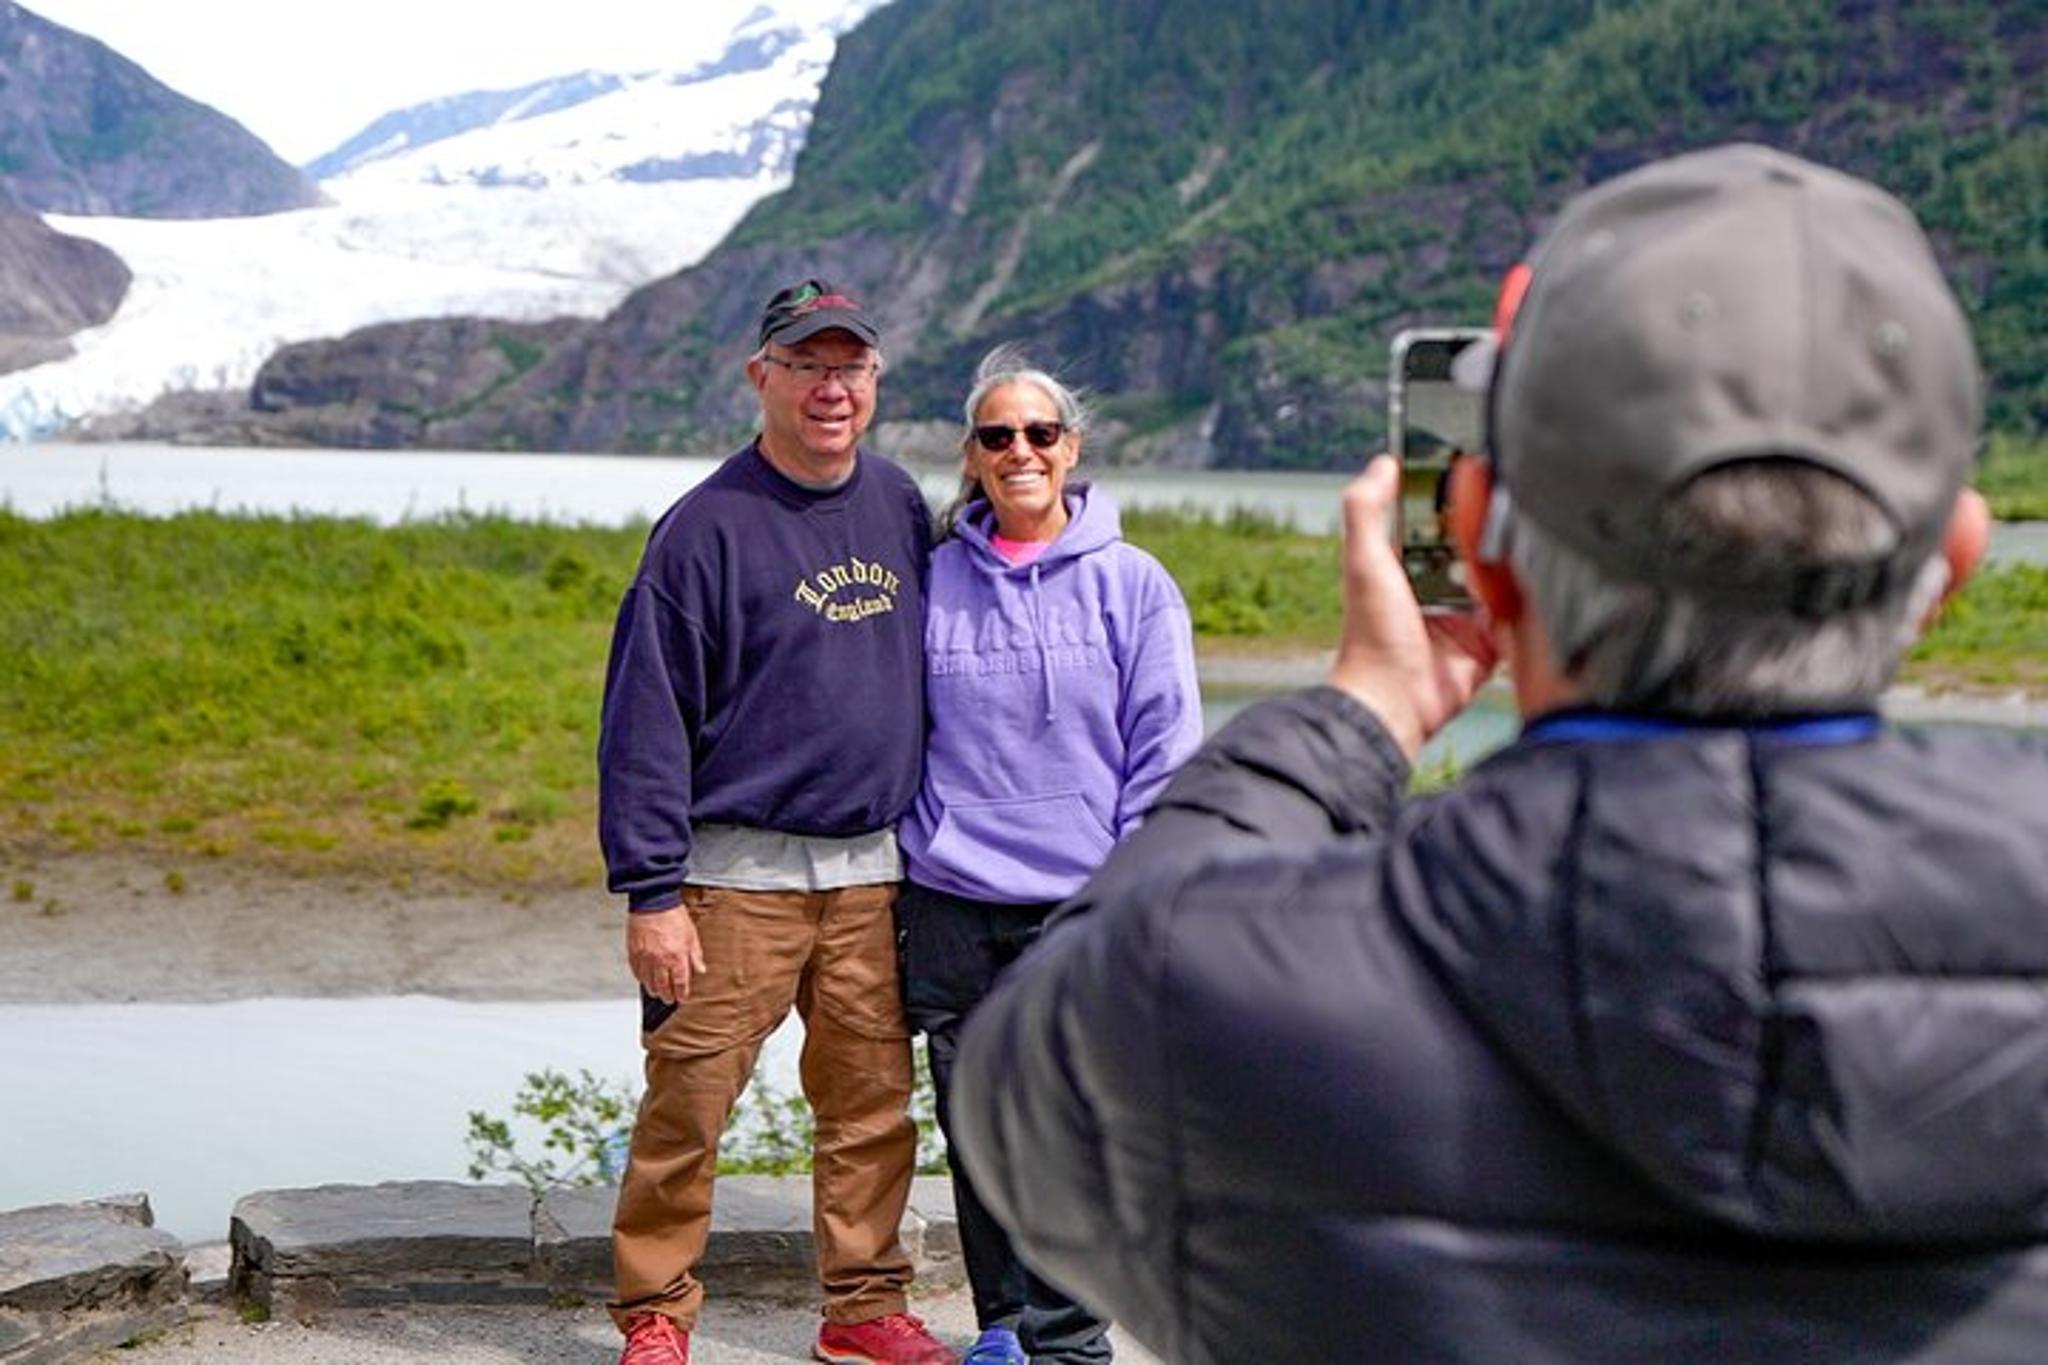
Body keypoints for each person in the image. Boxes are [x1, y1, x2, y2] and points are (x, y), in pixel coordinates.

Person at [949, 144, 2048, 1363]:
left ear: (1473, 538)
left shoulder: (1204, 989)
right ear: (1952, 558)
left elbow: (1033, 1082)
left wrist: (1357, 714)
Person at [597, 279, 954, 1365]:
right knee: (686, 1108)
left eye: (849, 367)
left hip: (870, 878)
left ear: (876, 382)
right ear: (762, 378)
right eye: (806, 366)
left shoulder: (896, 503)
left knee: (871, 1111)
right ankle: (655, 1314)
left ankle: (860, 1311)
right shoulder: (704, 528)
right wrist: (652, 893)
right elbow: (643, 718)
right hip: (730, 882)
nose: (830, 387)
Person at [897, 346, 1203, 1365]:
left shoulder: (1133, 584)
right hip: (948, 905)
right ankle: (1005, 1336)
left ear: (1069, 448)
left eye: (1038, 433)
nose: (1019, 450)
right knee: (976, 1132)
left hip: (1076, 907)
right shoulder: (929, 579)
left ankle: (1069, 1348)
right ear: (972, 457)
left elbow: (1162, 756)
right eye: (997, 436)